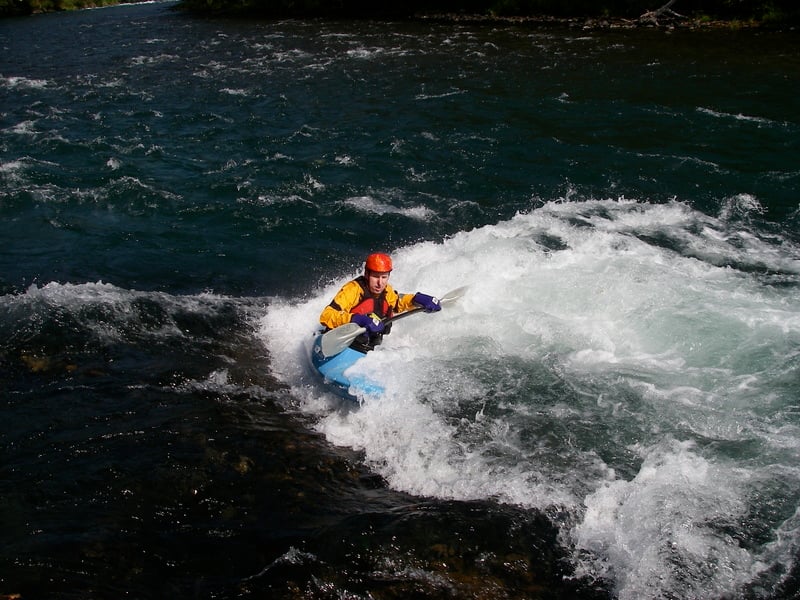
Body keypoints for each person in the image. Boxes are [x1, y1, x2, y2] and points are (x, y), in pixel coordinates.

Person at [319, 252, 441, 352]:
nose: (380, 283)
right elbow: (326, 315)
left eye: (384, 277)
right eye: (376, 277)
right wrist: (356, 319)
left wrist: (417, 300)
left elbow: (398, 303)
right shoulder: (353, 290)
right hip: (344, 346)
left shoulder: (387, 290)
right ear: (367, 274)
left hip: (369, 351)